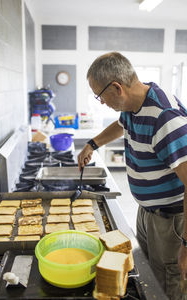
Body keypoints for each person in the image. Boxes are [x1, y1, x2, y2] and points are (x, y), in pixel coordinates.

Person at [77, 52, 187, 300]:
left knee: (167, 284)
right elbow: (121, 124)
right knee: (150, 274)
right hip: (148, 212)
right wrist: (92, 145)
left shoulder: (165, 118)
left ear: (116, 87)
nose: (101, 102)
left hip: (171, 221)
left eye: (100, 96)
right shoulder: (134, 104)